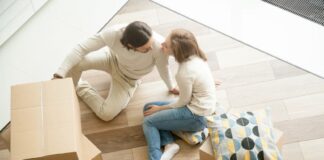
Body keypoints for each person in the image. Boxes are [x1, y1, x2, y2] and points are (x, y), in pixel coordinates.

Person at [52, 21, 178, 122]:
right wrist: (59, 74)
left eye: (151, 44)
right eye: (145, 49)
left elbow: (164, 69)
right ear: (130, 45)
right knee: (75, 64)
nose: (151, 48)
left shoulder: (158, 46)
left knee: (107, 114)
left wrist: (171, 86)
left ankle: (80, 87)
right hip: (111, 59)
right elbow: (81, 49)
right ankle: (68, 91)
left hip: (128, 78)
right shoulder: (113, 33)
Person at [142, 29, 223, 160]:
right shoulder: (196, 56)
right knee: (148, 107)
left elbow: (182, 102)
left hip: (196, 116)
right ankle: (170, 145)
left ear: (176, 52)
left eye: (166, 45)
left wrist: (160, 109)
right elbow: (195, 83)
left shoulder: (184, 72)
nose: (162, 44)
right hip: (200, 106)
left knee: (148, 122)